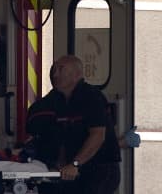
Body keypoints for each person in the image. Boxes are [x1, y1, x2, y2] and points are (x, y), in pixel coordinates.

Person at [33, 55, 121, 194]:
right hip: (76, 169)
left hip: (99, 169)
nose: (55, 74)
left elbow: (98, 135)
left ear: (76, 75)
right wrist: (60, 164)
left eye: (61, 69)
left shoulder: (91, 97)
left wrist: (75, 164)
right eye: (54, 69)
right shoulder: (59, 101)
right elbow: (63, 138)